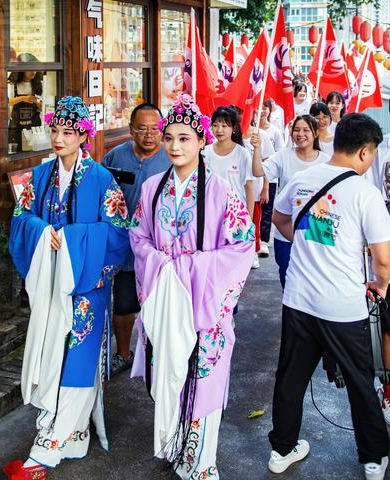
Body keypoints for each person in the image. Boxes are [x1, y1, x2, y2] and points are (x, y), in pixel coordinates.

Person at [129, 94, 254, 479]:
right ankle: (176, 447)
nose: (174, 146)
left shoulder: (221, 190)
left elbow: (242, 245)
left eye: (184, 138)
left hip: (204, 307)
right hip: (167, 302)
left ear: (202, 141)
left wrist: (188, 269)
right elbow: (138, 237)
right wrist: (161, 266)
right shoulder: (152, 188)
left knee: (202, 381)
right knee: (170, 376)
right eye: (169, 138)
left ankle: (201, 462)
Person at [4, 96, 130, 479]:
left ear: (83, 136)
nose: (58, 138)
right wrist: (44, 233)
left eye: (68, 132)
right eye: (55, 130)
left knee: (78, 361)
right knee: (51, 356)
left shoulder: (102, 179)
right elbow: (20, 219)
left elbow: (119, 235)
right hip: (49, 284)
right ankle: (72, 435)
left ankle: (46, 452)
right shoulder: (39, 176)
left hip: (86, 288)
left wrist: (73, 239)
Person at [268, 113, 390, 480]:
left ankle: (282, 450)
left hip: (299, 301)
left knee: (290, 378)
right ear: (366, 153)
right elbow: (383, 258)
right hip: (343, 307)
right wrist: (380, 285)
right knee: (358, 380)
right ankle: (372, 459)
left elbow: (278, 218)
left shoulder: (303, 180)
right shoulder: (365, 194)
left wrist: (308, 246)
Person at [101, 103, 170, 375]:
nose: (148, 135)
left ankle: (158, 355)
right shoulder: (114, 158)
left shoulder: (171, 158)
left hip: (159, 246)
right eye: (141, 129)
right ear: (131, 130)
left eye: (155, 129)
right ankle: (123, 353)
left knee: (160, 303)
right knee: (125, 301)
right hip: (123, 246)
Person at [251, 115, 330, 287]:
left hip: (316, 227)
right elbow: (258, 172)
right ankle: (291, 310)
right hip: (286, 226)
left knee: (315, 276)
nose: (300, 134)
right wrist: (257, 149)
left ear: (315, 133)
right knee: (286, 272)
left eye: (306, 130)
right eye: (296, 130)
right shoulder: (283, 156)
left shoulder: (326, 161)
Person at [366, 132, 390, 424]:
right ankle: (388, 387)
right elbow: (372, 191)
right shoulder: (381, 145)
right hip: (386, 237)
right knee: (389, 323)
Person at [203, 106, 254, 216]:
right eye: (215, 125)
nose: (219, 130)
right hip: (211, 211)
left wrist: (249, 218)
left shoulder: (242, 154)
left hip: (236, 213)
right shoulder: (205, 152)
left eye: (224, 126)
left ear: (234, 128)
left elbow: (249, 186)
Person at [243, 113, 275, 268]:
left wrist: (265, 187)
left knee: (254, 220)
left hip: (255, 187)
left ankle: (253, 251)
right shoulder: (232, 135)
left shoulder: (260, 134)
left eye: (244, 111)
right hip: (236, 188)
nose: (241, 116)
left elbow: (268, 161)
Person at [258, 100, 284, 258]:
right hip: (254, 176)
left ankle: (264, 241)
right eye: (259, 108)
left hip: (270, 177)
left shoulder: (274, 131)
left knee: (267, 210)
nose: (261, 111)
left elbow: (278, 153)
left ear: (269, 110)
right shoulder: (250, 130)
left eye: (264, 108)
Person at [8, 53, 43, 152]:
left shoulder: (39, 85)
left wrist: (39, 104)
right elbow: (6, 102)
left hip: (34, 129)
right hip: (16, 129)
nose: (33, 72)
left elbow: (44, 107)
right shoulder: (12, 85)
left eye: (35, 69)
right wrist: (23, 98)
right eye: (30, 69)